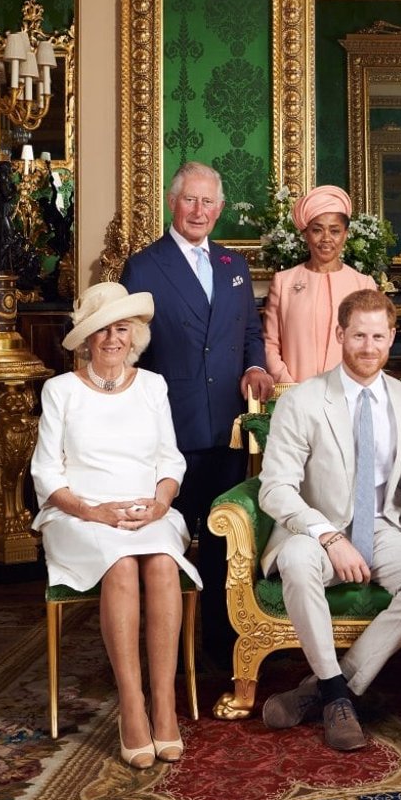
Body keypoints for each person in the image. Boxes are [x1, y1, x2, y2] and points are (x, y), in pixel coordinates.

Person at [31, 282, 201, 769]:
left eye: (121, 329)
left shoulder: (153, 386)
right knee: (122, 565)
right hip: (78, 513)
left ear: (135, 335)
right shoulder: (60, 391)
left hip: (149, 510)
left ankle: (163, 706)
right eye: (101, 330)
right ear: (86, 339)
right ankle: (132, 706)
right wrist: (94, 512)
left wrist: (160, 502)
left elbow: (170, 460)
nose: (112, 339)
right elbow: (47, 473)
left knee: (164, 565)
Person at [257, 290, 401, 751]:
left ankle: (329, 689)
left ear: (392, 337)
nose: (369, 346)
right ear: (340, 335)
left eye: (378, 336)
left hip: (385, 526)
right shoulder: (303, 401)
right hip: (317, 528)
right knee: (296, 559)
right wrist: (329, 535)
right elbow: (275, 488)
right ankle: (337, 696)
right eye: (358, 335)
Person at [120, 161, 274, 669]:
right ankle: (166, 648)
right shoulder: (143, 267)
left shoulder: (233, 265)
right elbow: (130, 350)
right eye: (191, 200)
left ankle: (220, 646)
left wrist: (255, 365)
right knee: (169, 539)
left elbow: (250, 331)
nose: (199, 211)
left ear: (220, 209)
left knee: (223, 539)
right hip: (171, 427)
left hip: (226, 427)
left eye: (209, 202)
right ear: (173, 202)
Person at [262, 184, 376, 383]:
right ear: (306, 234)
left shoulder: (363, 284)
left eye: (335, 231)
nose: (326, 239)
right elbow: (270, 343)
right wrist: (288, 386)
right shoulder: (283, 282)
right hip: (294, 395)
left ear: (345, 235)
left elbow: (371, 346)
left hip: (347, 396)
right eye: (317, 230)